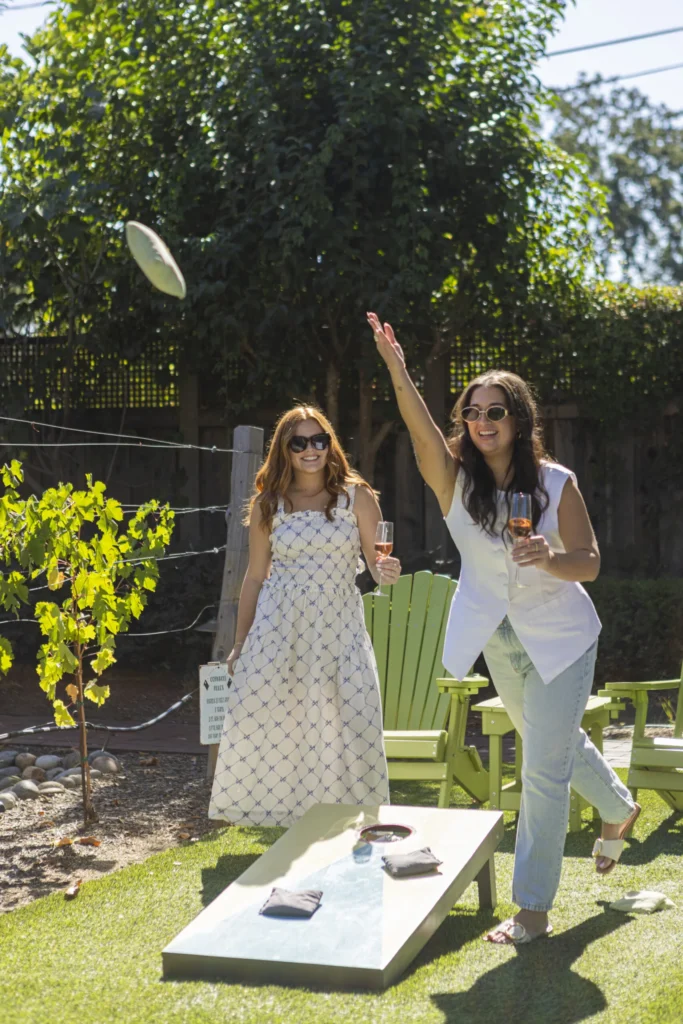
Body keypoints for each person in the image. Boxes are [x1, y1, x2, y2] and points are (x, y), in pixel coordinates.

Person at [367, 311, 639, 946]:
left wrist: (550, 557)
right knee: (556, 743)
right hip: (499, 638)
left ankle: (533, 911)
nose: (482, 422)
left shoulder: (555, 482)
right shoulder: (454, 482)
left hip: (564, 638)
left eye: (495, 411)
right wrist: (397, 367)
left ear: (518, 420)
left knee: (541, 769)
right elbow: (419, 429)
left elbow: (591, 563)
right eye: (473, 412)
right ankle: (620, 810)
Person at [208, 405, 400, 828]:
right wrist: (240, 643)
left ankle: (350, 819)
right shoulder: (268, 503)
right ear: (285, 450)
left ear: (330, 444)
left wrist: (387, 571)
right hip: (280, 626)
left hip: (339, 624)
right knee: (281, 721)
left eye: (319, 440)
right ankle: (287, 820)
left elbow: (376, 566)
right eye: (299, 442)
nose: (310, 449)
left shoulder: (357, 496)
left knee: (348, 716)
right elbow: (255, 578)